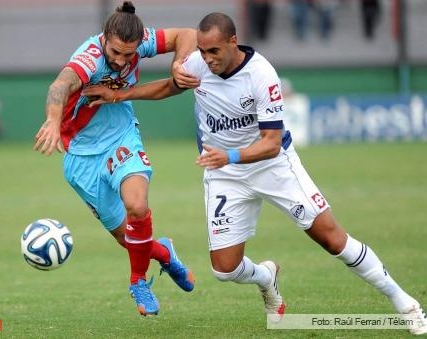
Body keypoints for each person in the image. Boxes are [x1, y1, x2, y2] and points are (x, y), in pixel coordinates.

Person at [82, 12, 427, 334]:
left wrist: (228, 154)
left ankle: (404, 303)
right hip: (225, 174)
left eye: (214, 50)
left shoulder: (261, 75)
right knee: (224, 269)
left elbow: (272, 143)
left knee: (332, 238)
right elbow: (168, 87)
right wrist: (120, 95)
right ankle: (265, 276)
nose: (207, 58)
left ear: (234, 41)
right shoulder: (199, 64)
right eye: (202, 51)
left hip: (270, 166)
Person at [33, 1, 197, 316]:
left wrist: (180, 64)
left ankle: (138, 281)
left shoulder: (141, 42)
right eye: (116, 52)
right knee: (129, 239)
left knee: (137, 206)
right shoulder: (89, 57)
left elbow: (187, 34)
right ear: (105, 38)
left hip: (121, 136)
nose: (121, 61)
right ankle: (164, 253)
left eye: (129, 54)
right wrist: (53, 121)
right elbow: (60, 85)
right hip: (81, 155)